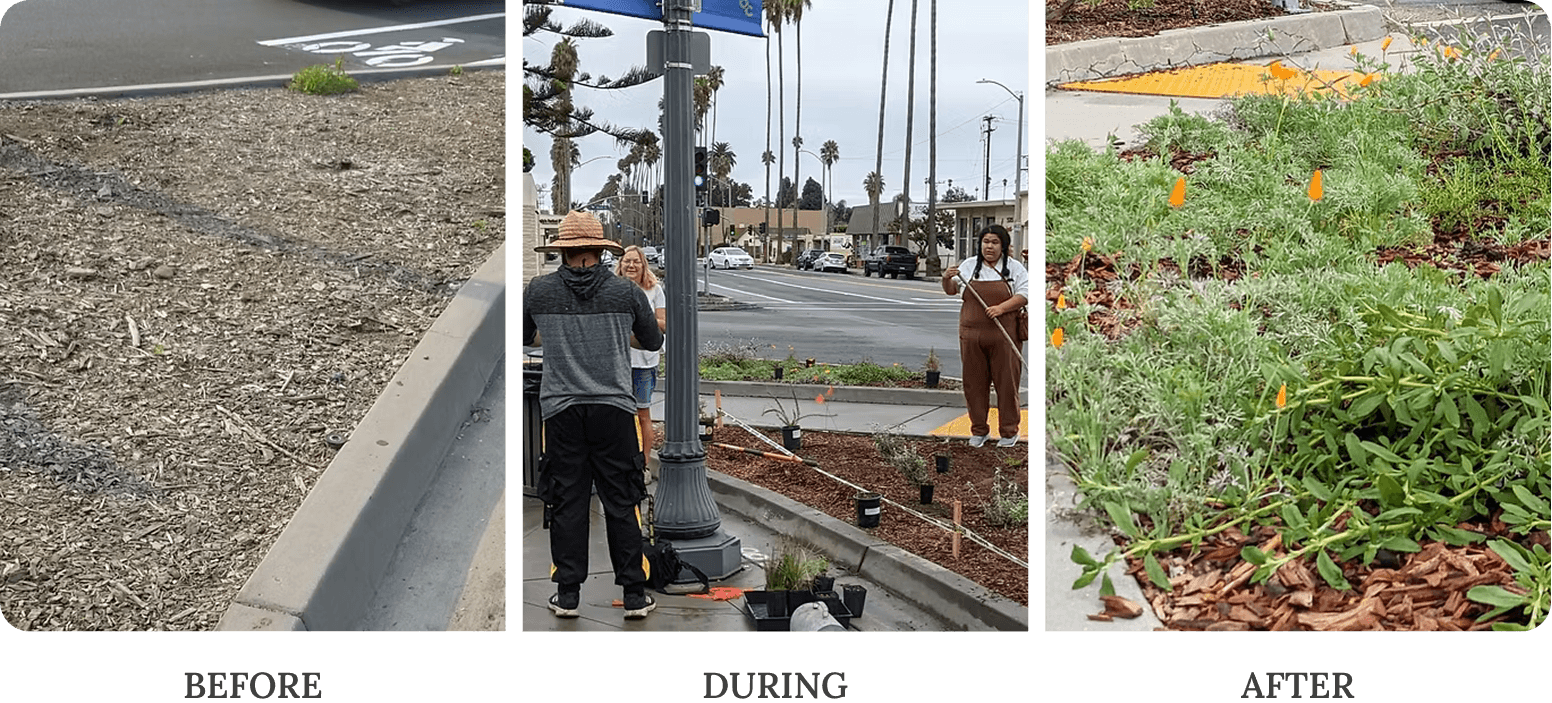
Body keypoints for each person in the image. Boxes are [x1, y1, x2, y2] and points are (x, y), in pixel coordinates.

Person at [521, 211, 665, 620]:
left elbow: (521, 336)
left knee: (567, 500)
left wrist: (559, 335)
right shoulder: (626, 293)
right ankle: (634, 595)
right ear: (601, 250)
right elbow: (653, 339)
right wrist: (619, 333)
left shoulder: (539, 291)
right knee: (622, 499)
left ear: (563, 250)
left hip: (561, 411)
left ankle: (568, 595)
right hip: (615, 409)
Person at [941, 224, 1030, 448]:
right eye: (986, 242)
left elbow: (1025, 294)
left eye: (994, 242)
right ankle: (979, 431)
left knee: (1007, 384)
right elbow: (952, 290)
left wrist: (1001, 308)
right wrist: (946, 278)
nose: (989, 247)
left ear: (1003, 246)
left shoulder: (1015, 268)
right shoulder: (969, 265)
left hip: (1004, 334)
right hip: (971, 334)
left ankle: (1009, 432)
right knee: (974, 384)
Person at [615, 245, 668, 482]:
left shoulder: (654, 290)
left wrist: (641, 318)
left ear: (643, 265)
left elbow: (664, 323)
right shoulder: (612, 289)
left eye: (636, 261)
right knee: (618, 415)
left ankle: (644, 464)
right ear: (620, 264)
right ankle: (621, 462)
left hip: (644, 362)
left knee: (642, 413)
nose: (631, 266)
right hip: (618, 360)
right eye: (627, 261)